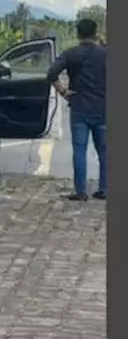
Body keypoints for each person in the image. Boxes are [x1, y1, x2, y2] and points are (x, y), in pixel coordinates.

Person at [46, 17, 107, 201]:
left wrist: (63, 91)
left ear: (78, 33)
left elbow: (51, 73)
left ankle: (80, 191)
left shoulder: (70, 53)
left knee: (79, 150)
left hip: (79, 107)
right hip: (104, 109)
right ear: (95, 33)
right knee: (104, 151)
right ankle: (104, 189)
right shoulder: (106, 54)